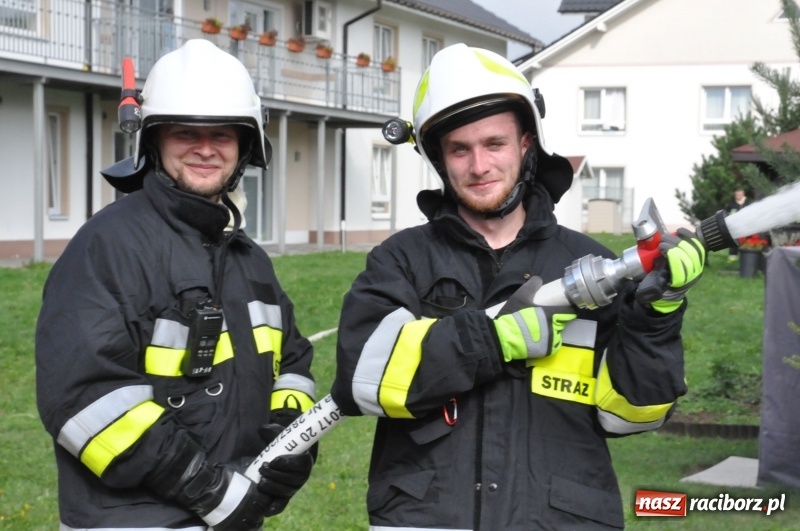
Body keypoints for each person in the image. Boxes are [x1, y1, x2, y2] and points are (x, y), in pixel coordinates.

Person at [330, 44, 705, 530]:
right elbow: (363, 378)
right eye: (459, 150)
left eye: (494, 144)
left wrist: (657, 317)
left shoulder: (587, 263)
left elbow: (633, 416)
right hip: (429, 516)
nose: (478, 165)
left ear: (527, 144)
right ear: (440, 161)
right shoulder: (402, 260)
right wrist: (487, 339)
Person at [36, 39, 316, 531]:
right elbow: (84, 399)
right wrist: (207, 488)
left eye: (224, 135)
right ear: (154, 141)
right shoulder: (109, 245)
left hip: (231, 510)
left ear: (246, 147)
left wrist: (292, 438)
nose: (206, 148)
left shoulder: (249, 259)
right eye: (186, 132)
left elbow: (291, 362)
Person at [725, 187, 752, 260]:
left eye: (739, 195)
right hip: (735, 228)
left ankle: (746, 257)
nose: (737, 196)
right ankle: (732, 258)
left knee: (747, 242)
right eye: (736, 195)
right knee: (734, 242)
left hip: (746, 227)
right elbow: (727, 215)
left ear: (743, 194)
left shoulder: (748, 204)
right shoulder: (731, 205)